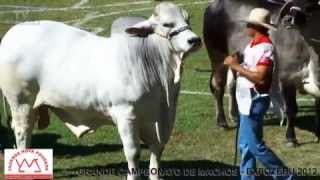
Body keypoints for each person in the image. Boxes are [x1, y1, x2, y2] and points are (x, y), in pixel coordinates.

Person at [223, 8, 293, 180]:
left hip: (254, 100)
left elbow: (261, 78)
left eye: (249, 24)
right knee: (245, 145)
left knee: (255, 146)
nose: (246, 26)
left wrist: (235, 66)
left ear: (256, 26)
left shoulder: (265, 47)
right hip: (246, 99)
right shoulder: (252, 44)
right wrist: (241, 61)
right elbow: (252, 67)